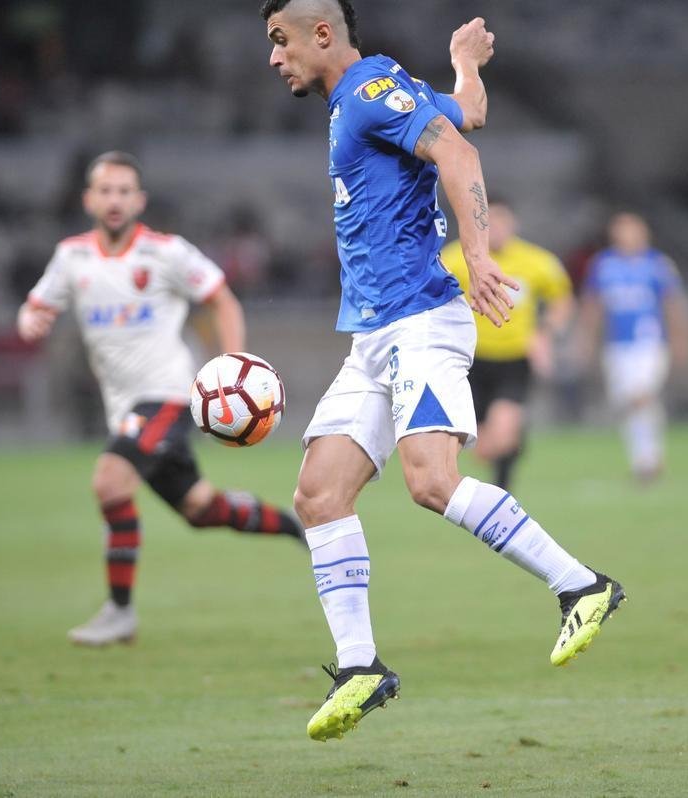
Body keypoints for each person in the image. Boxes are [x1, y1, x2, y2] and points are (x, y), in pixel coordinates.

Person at [261, 0, 625, 742]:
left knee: (432, 479)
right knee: (319, 494)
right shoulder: (374, 94)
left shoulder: (365, 94)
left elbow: (460, 155)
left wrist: (481, 254)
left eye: (280, 40)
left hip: (419, 321)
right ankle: (360, 666)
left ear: (322, 34)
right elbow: (466, 115)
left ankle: (581, 585)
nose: (274, 58)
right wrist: (465, 65)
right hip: (372, 333)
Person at [16, 151, 302, 647]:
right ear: (88, 199)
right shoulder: (72, 257)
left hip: (168, 394)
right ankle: (296, 528)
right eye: (105, 190)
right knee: (200, 508)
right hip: (123, 407)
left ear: (139, 200)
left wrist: (231, 365)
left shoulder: (167, 253)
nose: (114, 199)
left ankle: (119, 612)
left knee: (109, 483)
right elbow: (36, 306)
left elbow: (220, 296)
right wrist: (29, 320)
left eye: (125, 191)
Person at [439, 197, 573, 490]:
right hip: (470, 361)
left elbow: (561, 298)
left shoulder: (537, 261)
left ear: (514, 223)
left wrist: (544, 333)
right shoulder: (454, 259)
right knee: (484, 449)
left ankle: (503, 490)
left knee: (502, 437)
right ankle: (510, 444)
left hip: (514, 360)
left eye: (502, 221)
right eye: (489, 223)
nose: (496, 229)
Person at [580, 212, 688, 483]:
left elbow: (673, 304)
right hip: (617, 345)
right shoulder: (603, 265)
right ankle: (645, 458)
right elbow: (593, 305)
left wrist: (681, 340)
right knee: (629, 403)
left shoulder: (658, 264)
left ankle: (648, 458)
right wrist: (585, 339)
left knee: (640, 394)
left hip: (650, 343)